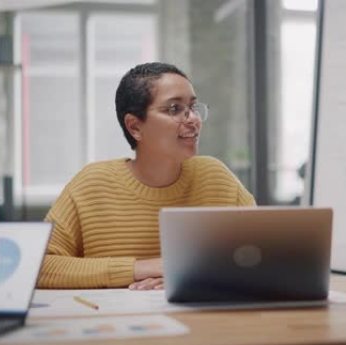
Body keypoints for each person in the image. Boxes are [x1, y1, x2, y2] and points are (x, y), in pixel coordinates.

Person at [37, 62, 255, 290]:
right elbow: (40, 266)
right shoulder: (92, 184)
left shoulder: (216, 177)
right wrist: (144, 268)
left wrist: (193, 273)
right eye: (174, 109)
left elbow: (261, 254)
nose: (193, 119)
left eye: (192, 107)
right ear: (134, 127)